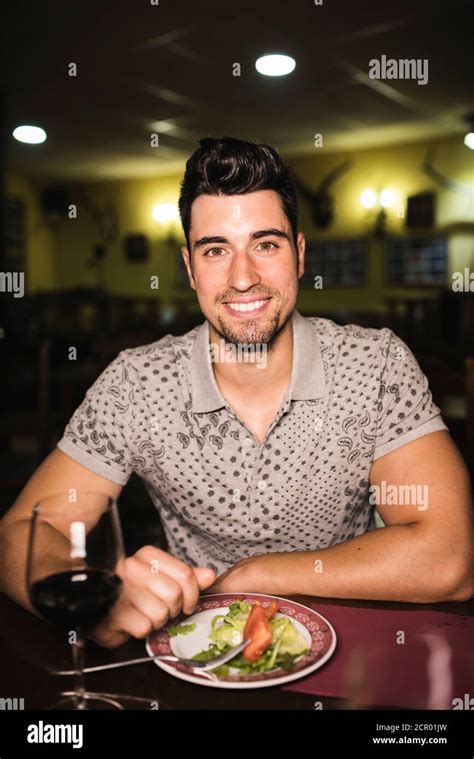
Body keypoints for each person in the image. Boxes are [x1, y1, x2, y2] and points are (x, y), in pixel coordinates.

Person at [1, 137, 472, 649]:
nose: (242, 277)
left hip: (346, 645)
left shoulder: (375, 363)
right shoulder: (135, 383)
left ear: (299, 254)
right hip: (195, 655)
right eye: (216, 250)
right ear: (189, 268)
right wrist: (99, 598)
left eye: (266, 244)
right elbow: (22, 532)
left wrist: (257, 576)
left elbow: (448, 556)